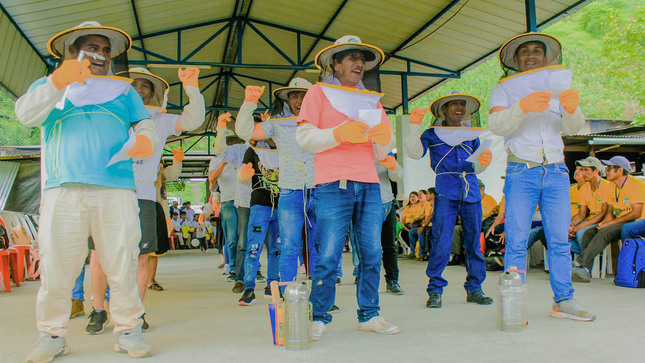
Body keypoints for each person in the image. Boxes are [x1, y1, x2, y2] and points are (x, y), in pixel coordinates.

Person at [15, 21, 156, 360]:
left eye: (106, 50)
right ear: (72, 51)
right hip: (62, 189)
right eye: (93, 47)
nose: (101, 55)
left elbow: (144, 122)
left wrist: (146, 138)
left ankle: (127, 330)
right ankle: (51, 335)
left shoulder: (124, 91)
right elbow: (24, 114)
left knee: (121, 263)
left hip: (117, 190)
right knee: (57, 266)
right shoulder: (50, 86)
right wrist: (59, 80)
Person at [296, 35, 398, 339]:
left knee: (371, 253)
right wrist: (339, 134)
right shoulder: (317, 93)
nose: (358, 63)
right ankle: (320, 316)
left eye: (362, 59)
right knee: (327, 254)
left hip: (368, 183)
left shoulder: (371, 100)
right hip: (331, 184)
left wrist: (385, 138)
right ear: (335, 63)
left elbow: (386, 146)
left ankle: (370, 315)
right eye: (351, 58)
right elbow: (304, 139)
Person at [88, 66, 205, 331]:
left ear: (154, 92)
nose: (139, 90)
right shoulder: (107, 113)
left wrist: (192, 87)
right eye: (134, 84)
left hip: (143, 194)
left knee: (143, 257)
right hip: (107, 191)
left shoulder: (159, 119)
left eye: (145, 86)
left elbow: (193, 120)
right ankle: (98, 310)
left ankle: (136, 312)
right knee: (100, 255)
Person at [487, 32, 594, 321]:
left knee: (559, 240)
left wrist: (572, 107)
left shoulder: (558, 85)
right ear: (515, 59)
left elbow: (574, 126)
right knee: (517, 240)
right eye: (525, 51)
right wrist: (521, 107)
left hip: (557, 171)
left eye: (538, 50)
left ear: (547, 57)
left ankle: (564, 301)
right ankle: (514, 307)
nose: (532, 55)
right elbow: (495, 124)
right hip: (521, 169)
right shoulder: (504, 89)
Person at [405, 91, 493, 309]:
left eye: (462, 105)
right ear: (443, 109)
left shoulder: (472, 134)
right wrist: (414, 126)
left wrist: (483, 162)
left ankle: (475, 288)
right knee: (441, 242)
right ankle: (435, 290)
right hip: (445, 191)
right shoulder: (433, 134)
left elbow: (477, 166)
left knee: (473, 243)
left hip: (471, 191)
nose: (459, 108)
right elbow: (415, 153)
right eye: (454, 104)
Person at [234, 78, 318, 286]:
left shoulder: (321, 121)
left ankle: (321, 296)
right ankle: (288, 294)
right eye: (294, 96)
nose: (299, 100)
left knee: (317, 245)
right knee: (289, 245)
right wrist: (249, 103)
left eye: (304, 95)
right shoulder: (277, 124)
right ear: (287, 100)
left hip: (319, 190)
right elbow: (245, 132)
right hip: (289, 191)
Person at [572, 156, 645, 282]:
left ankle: (581, 264)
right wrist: (605, 222)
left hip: (635, 222)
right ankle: (586, 270)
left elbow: (636, 213)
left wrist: (610, 223)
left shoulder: (636, 184)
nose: (605, 171)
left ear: (620, 170)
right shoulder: (611, 186)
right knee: (590, 232)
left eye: (609, 168)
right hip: (619, 221)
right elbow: (610, 212)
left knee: (605, 231)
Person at [236, 140, 281, 305]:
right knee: (254, 247)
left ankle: (273, 285)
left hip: (282, 205)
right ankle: (249, 288)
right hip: (260, 205)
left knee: (277, 249)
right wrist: (242, 175)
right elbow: (242, 175)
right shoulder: (253, 149)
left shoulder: (285, 147)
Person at [569, 157, 611, 255]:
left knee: (581, 233)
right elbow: (581, 215)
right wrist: (570, 226)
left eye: (586, 170)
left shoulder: (607, 186)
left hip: (603, 221)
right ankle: (588, 256)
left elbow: (603, 214)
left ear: (596, 170)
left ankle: (587, 261)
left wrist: (579, 226)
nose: (583, 173)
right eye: (582, 170)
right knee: (563, 235)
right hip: (589, 220)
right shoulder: (584, 188)